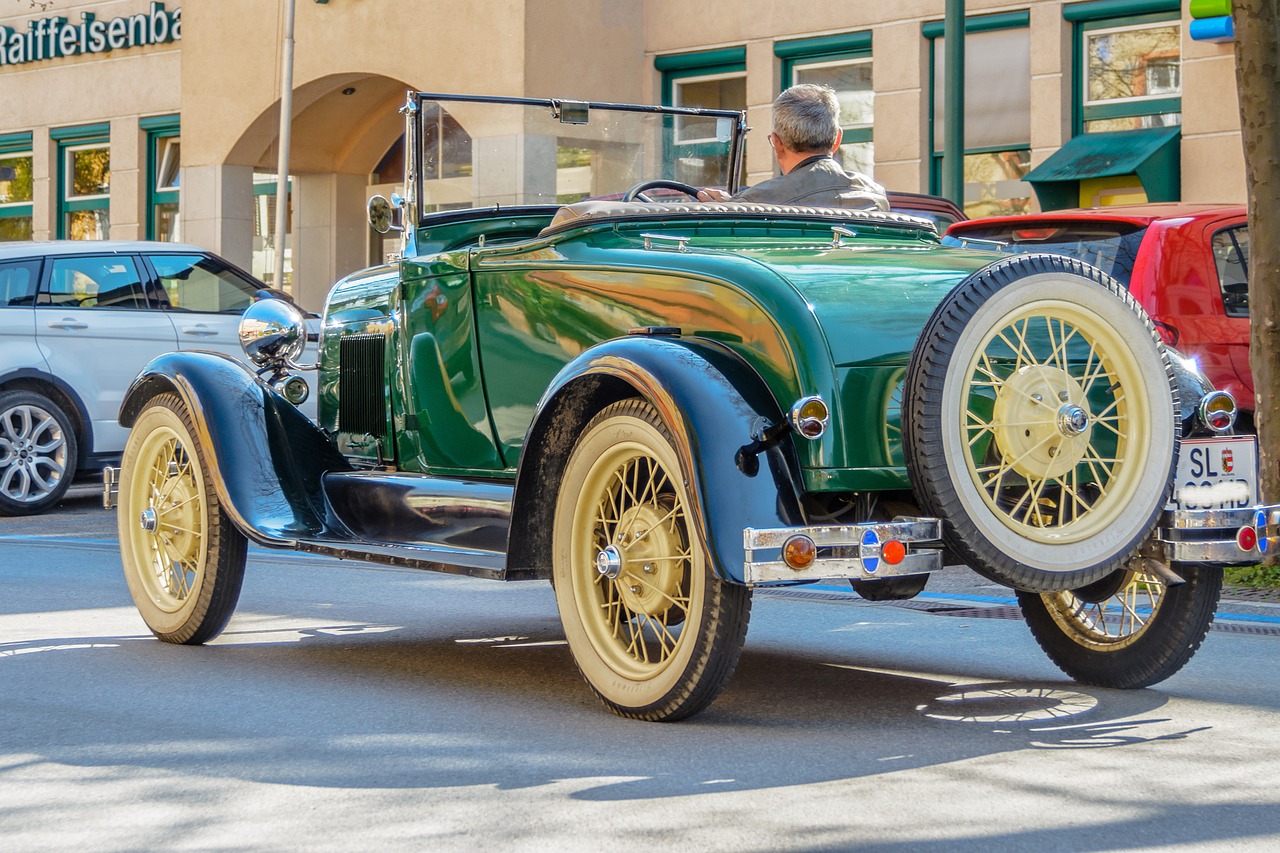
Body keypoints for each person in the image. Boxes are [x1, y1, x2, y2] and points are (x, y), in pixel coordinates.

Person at [697, 83, 888, 211]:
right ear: (837, 139)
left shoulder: (754, 204)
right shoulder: (874, 196)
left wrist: (730, 208)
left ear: (777, 143)